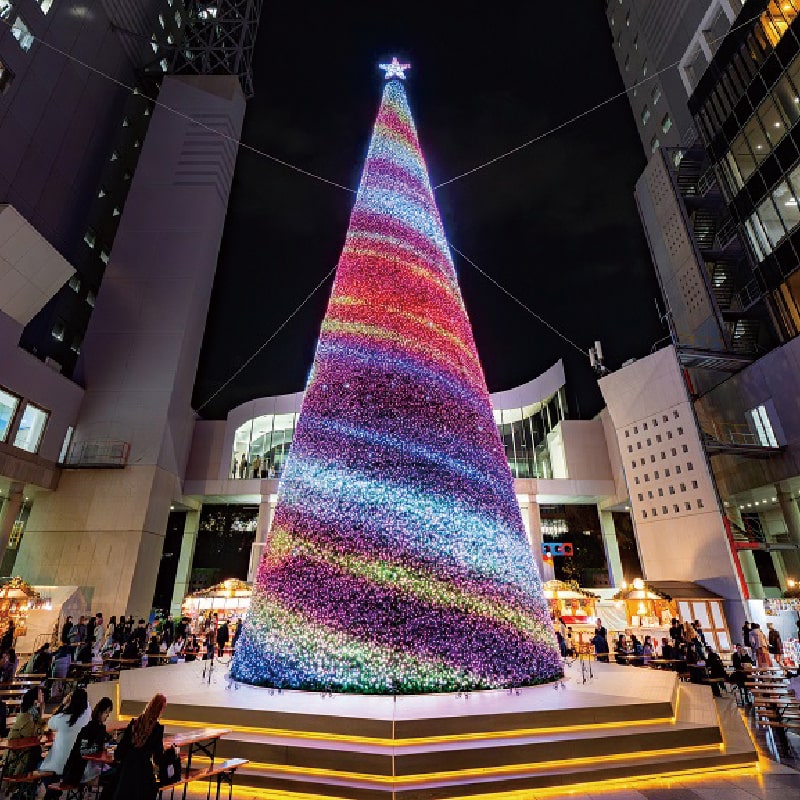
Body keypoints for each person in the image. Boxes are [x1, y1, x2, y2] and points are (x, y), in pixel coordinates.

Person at [112, 693, 166, 800]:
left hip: (127, 768)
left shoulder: (134, 723)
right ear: (161, 710)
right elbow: (158, 757)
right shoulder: (157, 729)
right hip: (143, 769)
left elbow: (121, 748)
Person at [41, 689, 91, 797]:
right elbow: (87, 707)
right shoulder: (86, 719)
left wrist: (63, 704)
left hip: (58, 766)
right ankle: (53, 793)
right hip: (77, 767)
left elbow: (50, 723)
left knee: (42, 767)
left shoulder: (62, 718)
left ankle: (52, 794)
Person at [61, 696, 113, 787]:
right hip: (80, 770)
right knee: (112, 777)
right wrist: (98, 748)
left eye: (108, 713)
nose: (107, 716)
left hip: (88, 766)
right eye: (106, 712)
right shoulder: (88, 729)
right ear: (99, 712)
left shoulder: (99, 727)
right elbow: (83, 750)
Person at [4, 687, 46, 775]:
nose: (43, 695)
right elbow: (35, 733)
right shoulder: (27, 716)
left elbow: (40, 725)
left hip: (24, 751)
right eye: (40, 694)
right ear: (35, 700)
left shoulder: (33, 712)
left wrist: (42, 708)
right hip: (19, 754)